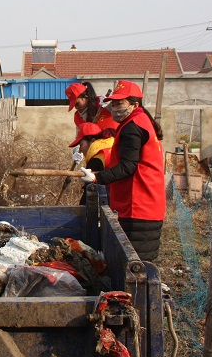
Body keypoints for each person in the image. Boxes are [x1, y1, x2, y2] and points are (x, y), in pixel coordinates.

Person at [79, 80, 165, 261]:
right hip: (149, 202)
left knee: (134, 265)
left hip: (137, 205)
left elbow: (128, 166)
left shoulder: (132, 127)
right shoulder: (142, 122)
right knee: (141, 263)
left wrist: (96, 178)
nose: (115, 108)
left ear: (135, 104)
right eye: (114, 104)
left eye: (120, 103)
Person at [69, 122, 115, 205]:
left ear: (92, 141)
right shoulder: (112, 146)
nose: (80, 150)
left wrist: (80, 209)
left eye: (81, 144)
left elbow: (89, 193)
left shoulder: (96, 159)